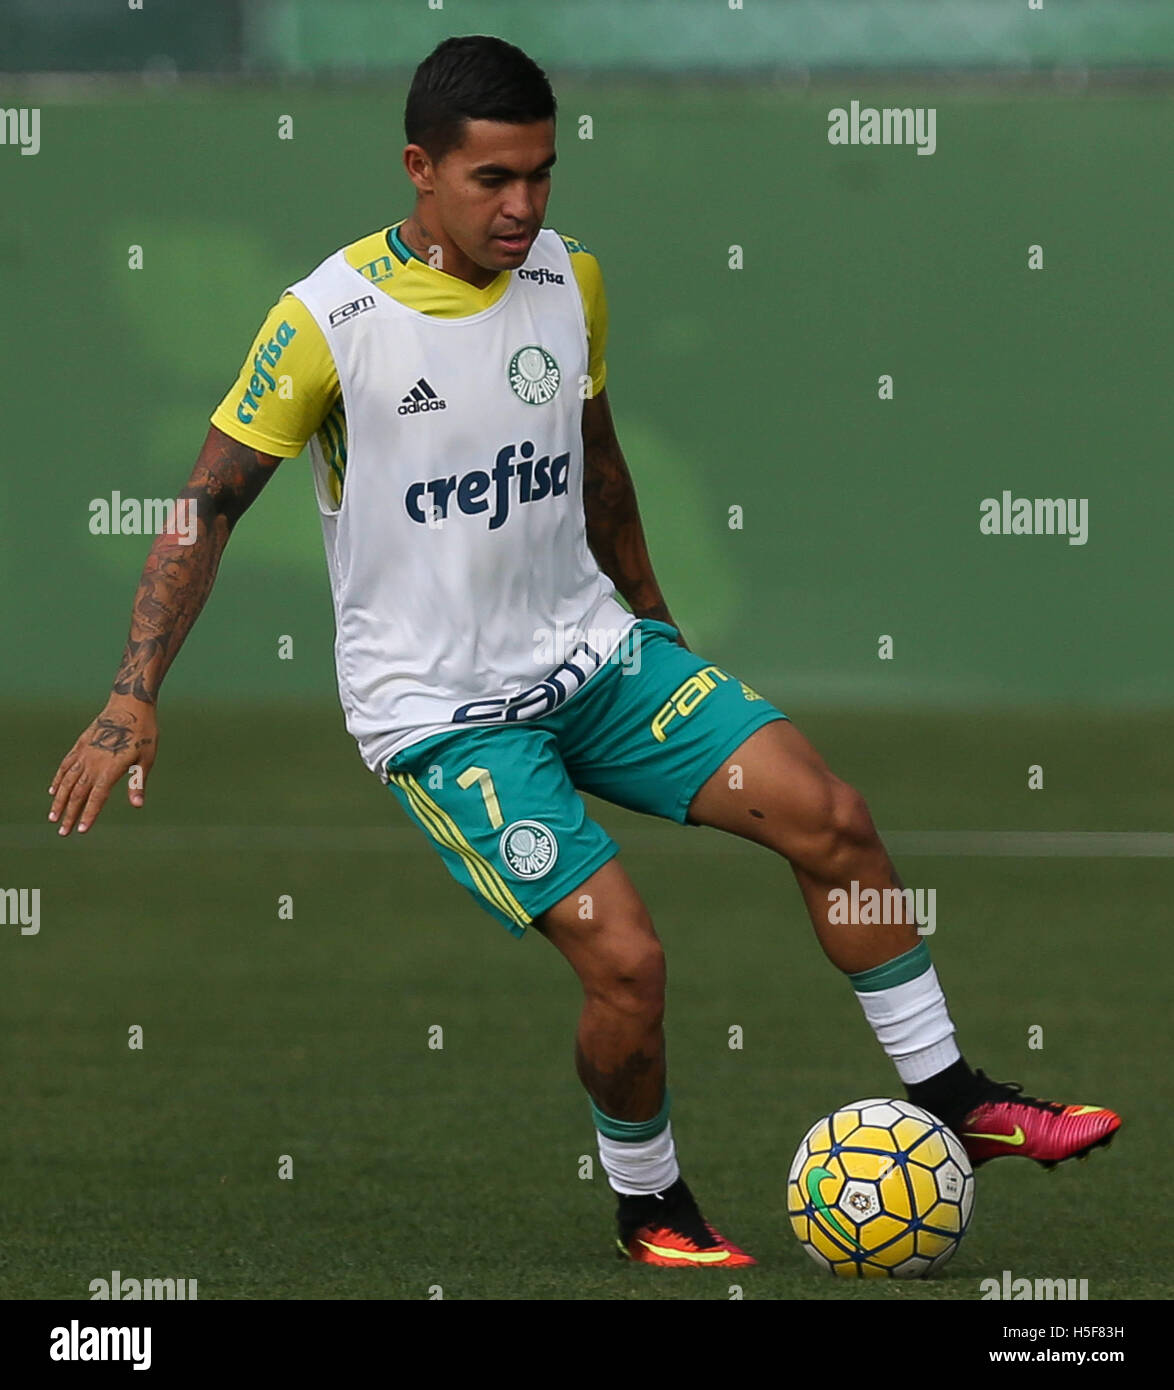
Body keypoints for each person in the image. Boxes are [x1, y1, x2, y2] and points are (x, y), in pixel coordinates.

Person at [49, 35, 1119, 1267]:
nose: (522, 207)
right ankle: (649, 1204)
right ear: (419, 169)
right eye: (493, 179)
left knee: (830, 814)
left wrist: (654, 620)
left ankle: (953, 1095)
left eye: (542, 175)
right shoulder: (327, 322)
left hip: (602, 658)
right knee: (629, 960)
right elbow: (206, 505)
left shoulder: (570, 281)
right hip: (447, 714)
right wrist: (133, 692)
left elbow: (595, 462)